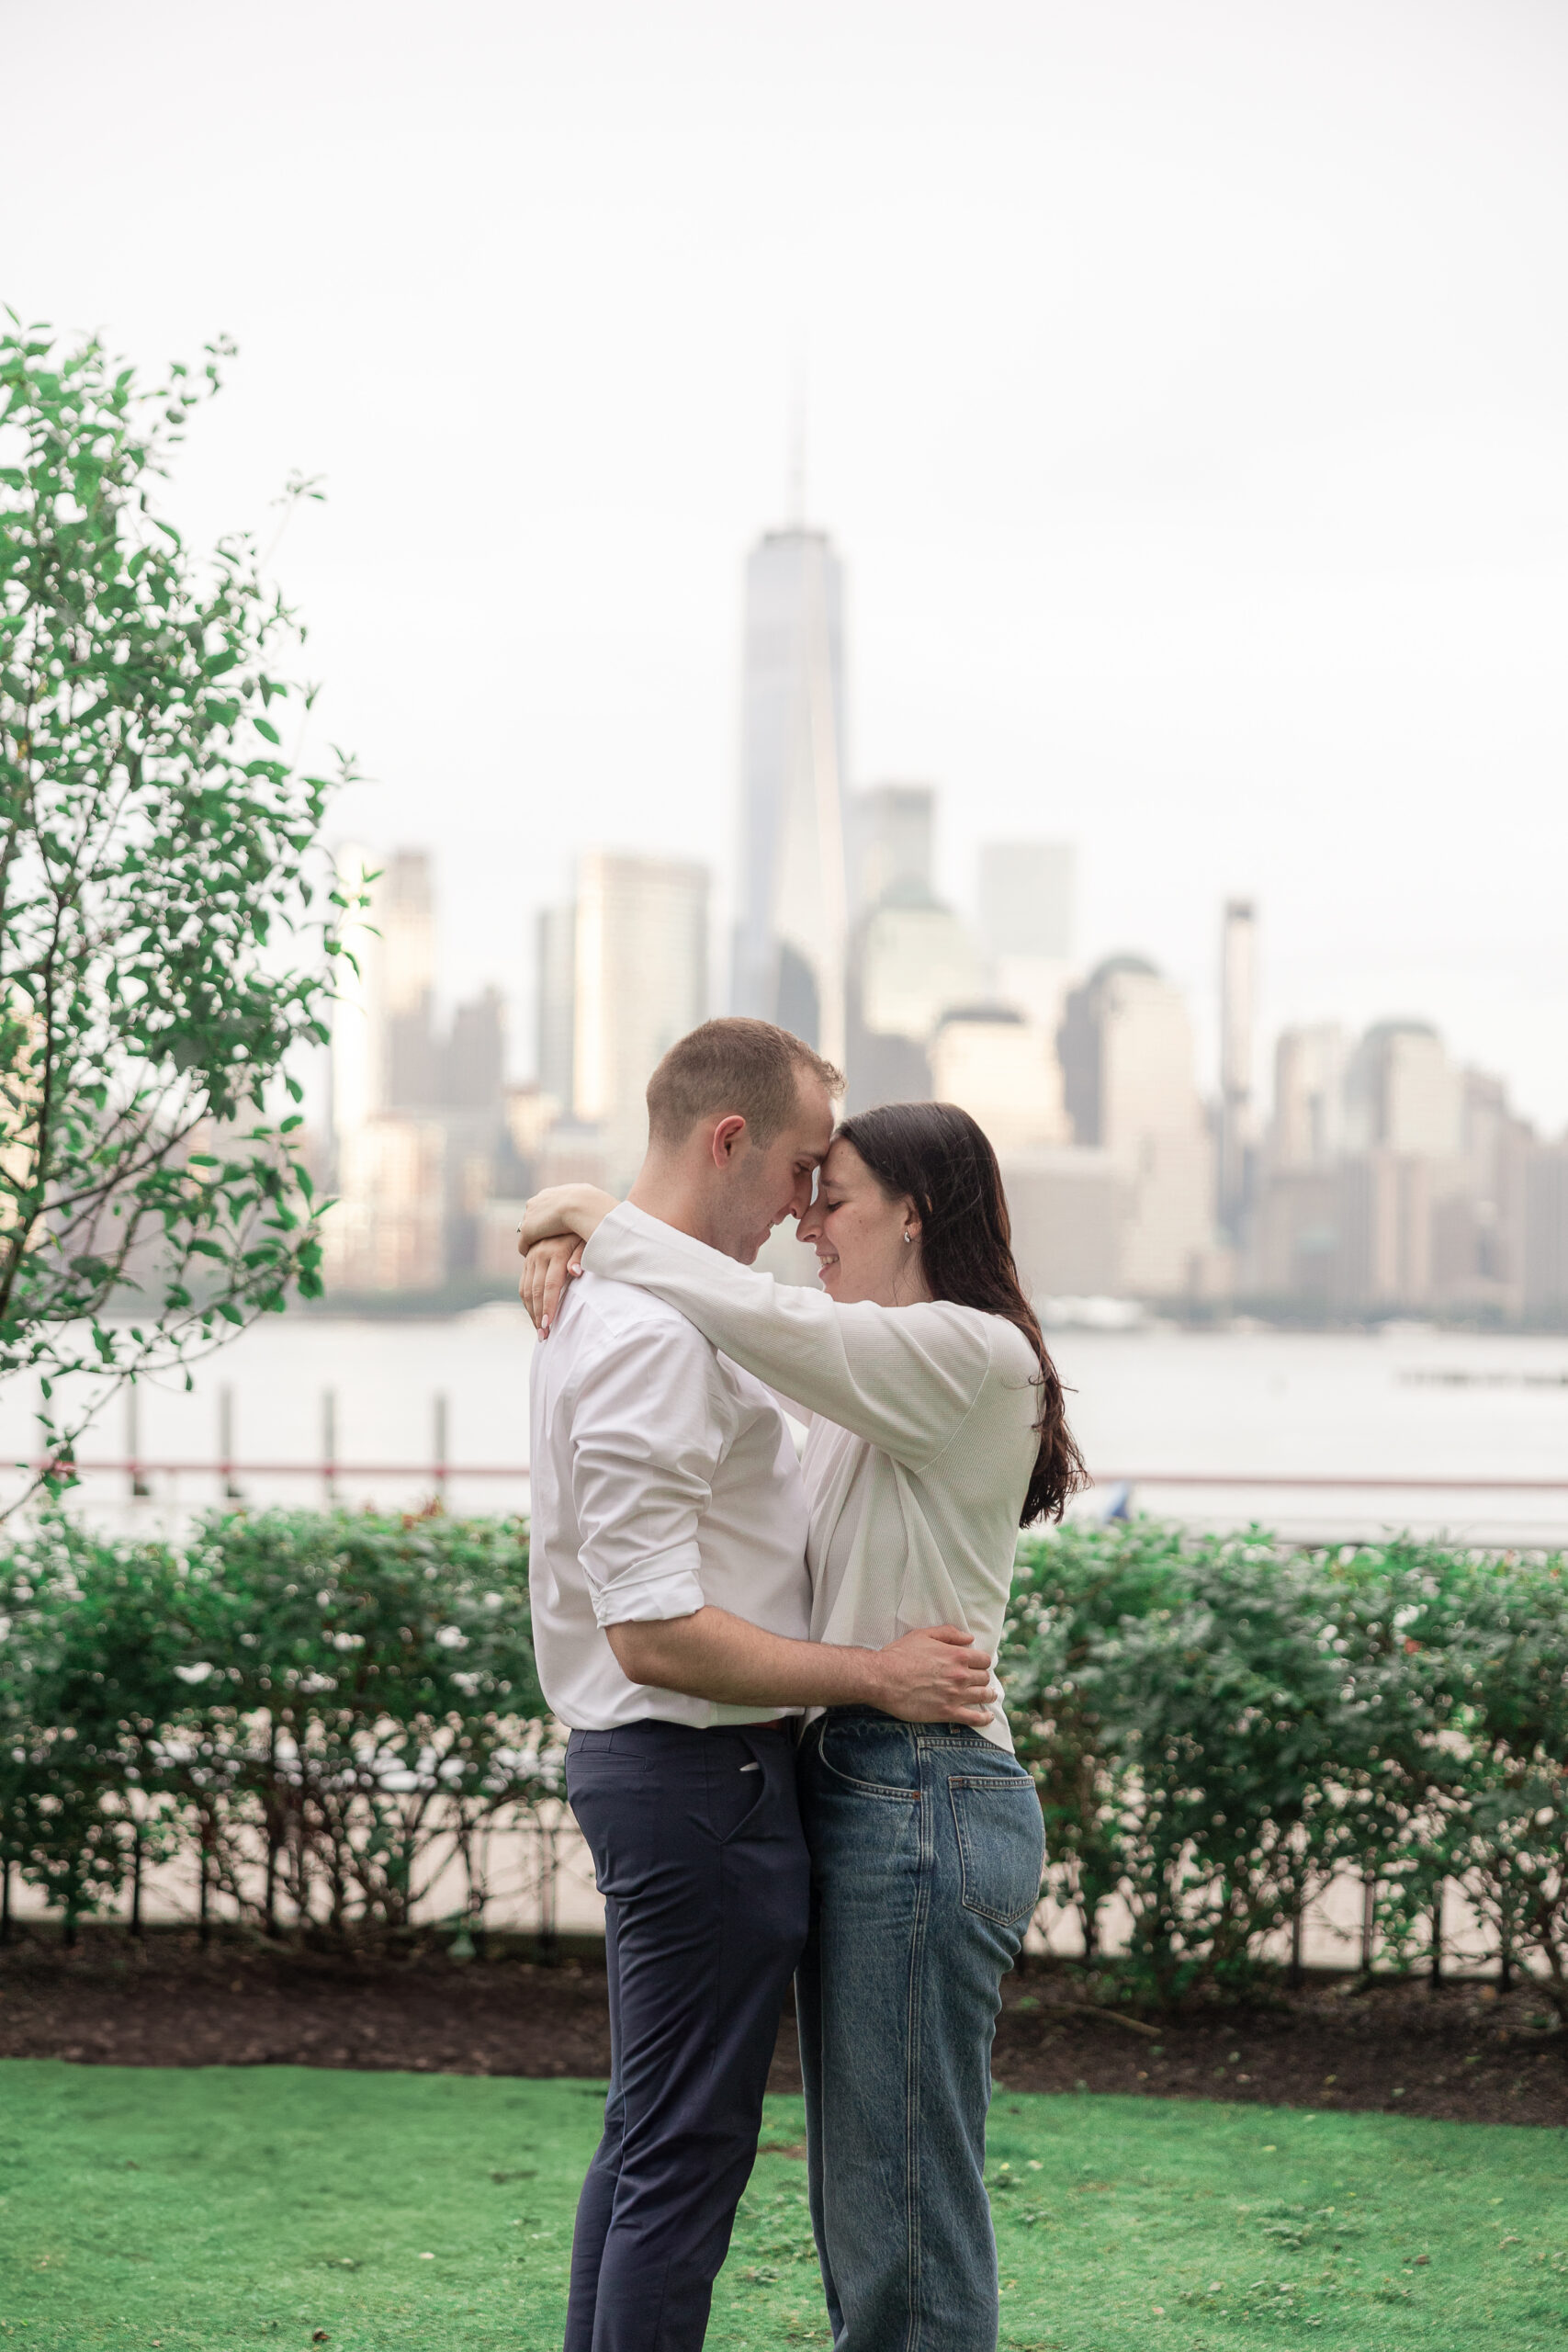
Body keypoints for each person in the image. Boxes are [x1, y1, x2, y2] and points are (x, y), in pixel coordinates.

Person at [521, 1098, 1086, 2352]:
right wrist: (584, 1253)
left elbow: (758, 1316)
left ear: (914, 1211)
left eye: (834, 1199)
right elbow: (735, 1368)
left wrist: (586, 1215)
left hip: (925, 1792)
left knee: (904, 2209)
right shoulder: (866, 1378)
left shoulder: (971, 1353)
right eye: (806, 1191)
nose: (807, 1224)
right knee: (865, 2205)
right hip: (860, 1780)